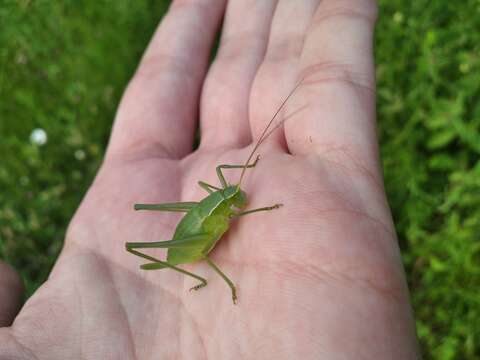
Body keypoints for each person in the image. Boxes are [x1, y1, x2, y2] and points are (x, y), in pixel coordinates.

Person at [0, 0, 421, 358]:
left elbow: (226, 186)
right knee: (209, 253)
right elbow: (226, 217)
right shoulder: (224, 213)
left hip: (198, 220)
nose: (239, 199)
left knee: (218, 207)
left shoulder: (226, 191)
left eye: (235, 195)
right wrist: (257, 214)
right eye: (234, 199)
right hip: (191, 246)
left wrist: (244, 179)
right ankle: (191, 272)